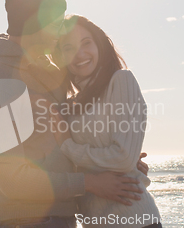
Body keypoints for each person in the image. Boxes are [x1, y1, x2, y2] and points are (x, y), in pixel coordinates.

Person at [0, 0, 151, 227]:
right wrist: (91, 182)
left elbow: (61, 143)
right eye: (56, 25)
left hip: (66, 217)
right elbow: (12, 180)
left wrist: (114, 160)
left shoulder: (51, 73)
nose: (60, 34)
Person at [51, 14, 162, 227]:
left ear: (99, 45)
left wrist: (68, 145)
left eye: (86, 43)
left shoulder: (121, 81)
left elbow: (122, 159)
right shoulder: (70, 105)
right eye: (68, 48)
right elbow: (63, 167)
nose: (80, 54)